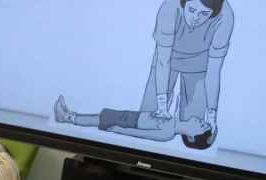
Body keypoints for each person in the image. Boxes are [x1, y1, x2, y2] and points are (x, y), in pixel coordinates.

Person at [141, 0, 233, 147]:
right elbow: (163, 61)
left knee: (193, 129)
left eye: (204, 13)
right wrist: (162, 106)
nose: (195, 18)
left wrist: (211, 115)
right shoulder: (170, 7)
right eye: (191, 10)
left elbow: (214, 71)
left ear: (214, 13)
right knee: (146, 119)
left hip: (199, 63)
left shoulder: (225, 15)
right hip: (168, 58)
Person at [54, 95, 213, 148]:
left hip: (129, 123)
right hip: (132, 117)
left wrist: (120, 130)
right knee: (99, 117)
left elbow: (141, 134)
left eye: (202, 126)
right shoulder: (172, 120)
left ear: (191, 137)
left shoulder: (168, 134)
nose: (201, 121)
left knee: (99, 120)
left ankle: (67, 118)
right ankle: (69, 115)